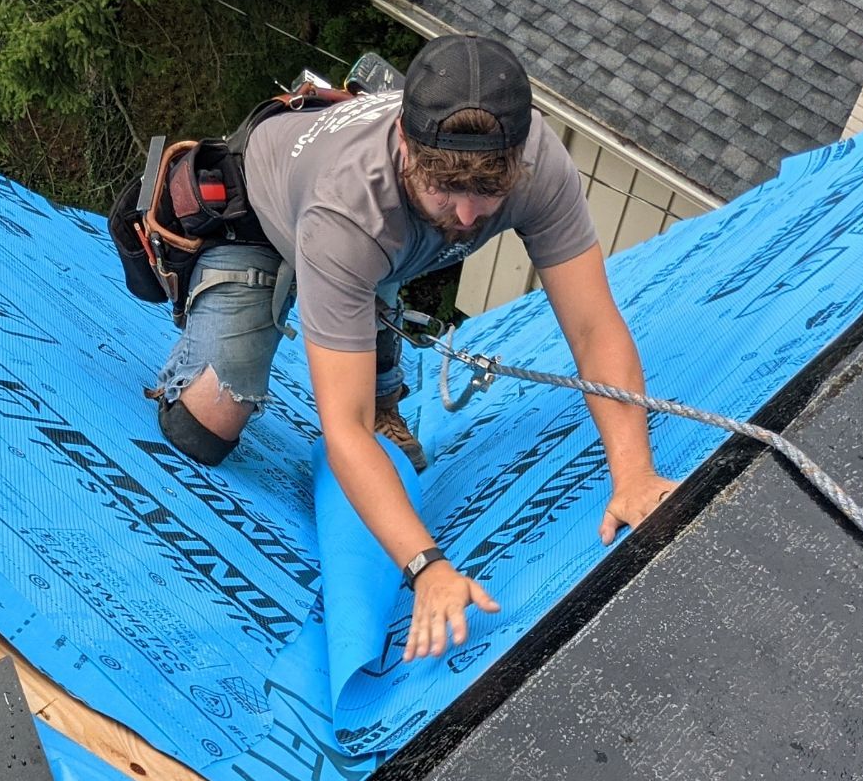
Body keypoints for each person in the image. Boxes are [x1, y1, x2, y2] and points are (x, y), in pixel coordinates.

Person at [149, 32, 677, 664]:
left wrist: (634, 474)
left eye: (488, 191)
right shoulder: (350, 211)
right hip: (266, 221)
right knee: (202, 430)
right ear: (406, 144)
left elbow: (593, 326)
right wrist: (427, 568)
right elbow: (341, 429)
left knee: (393, 266)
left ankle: (372, 322)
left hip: (372, 243)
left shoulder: (536, 163)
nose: (466, 212)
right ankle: (232, 302)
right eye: (446, 188)